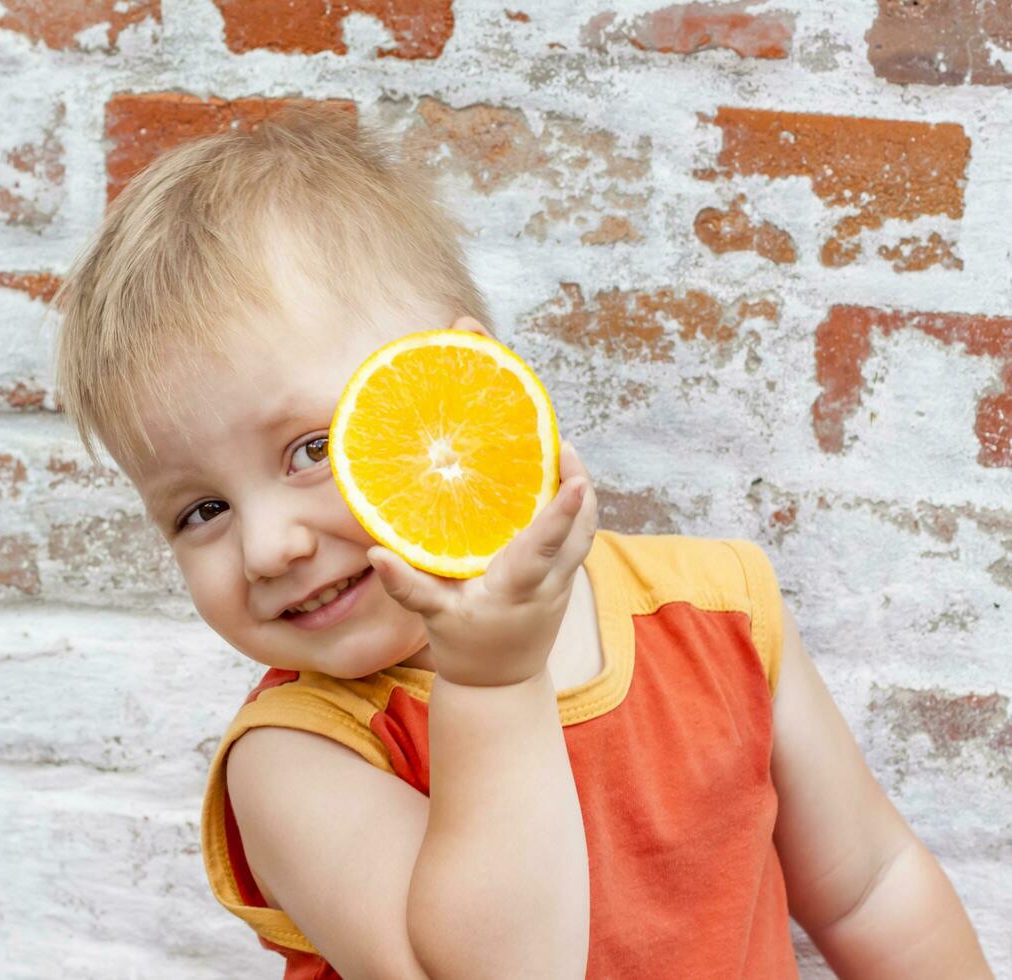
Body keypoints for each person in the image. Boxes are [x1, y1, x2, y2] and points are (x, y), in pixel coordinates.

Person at [50, 105, 991, 978]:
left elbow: (871, 886)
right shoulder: (295, 757)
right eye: (198, 511)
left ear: (468, 387)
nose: (265, 547)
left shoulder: (719, 611)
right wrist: (491, 679)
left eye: (313, 449)